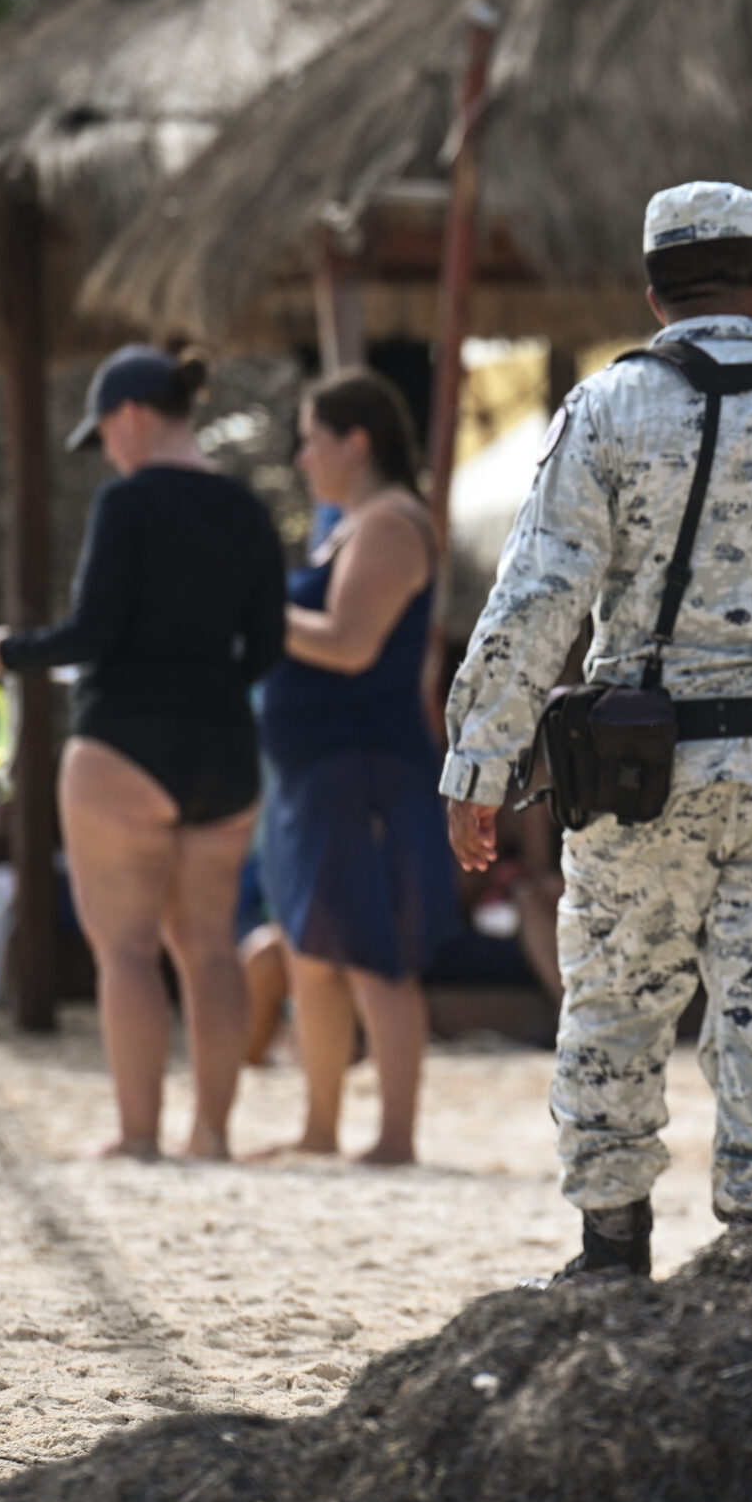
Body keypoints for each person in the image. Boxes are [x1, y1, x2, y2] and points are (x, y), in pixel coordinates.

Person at [440, 182, 752, 1279]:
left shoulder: (608, 408)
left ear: (652, 292)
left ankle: (610, 1248)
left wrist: (478, 763)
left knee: (618, 999)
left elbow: (536, 599)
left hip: (637, 771)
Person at [0, 343, 285, 1159]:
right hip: (224, 749)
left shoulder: (129, 504)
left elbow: (95, 633)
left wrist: (12, 652)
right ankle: (213, 1133)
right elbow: (267, 645)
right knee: (211, 947)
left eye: (106, 433)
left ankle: (139, 1135)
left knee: (127, 951)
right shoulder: (247, 510)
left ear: (135, 416)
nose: (108, 451)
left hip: (126, 745)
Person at [254, 368, 457, 1165]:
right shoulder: (345, 523)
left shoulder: (390, 522)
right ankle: (320, 1127)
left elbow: (348, 643)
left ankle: (394, 1137)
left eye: (311, 438)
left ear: (355, 441)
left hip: (364, 766)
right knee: (311, 951)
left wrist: (255, 612)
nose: (302, 456)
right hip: (319, 770)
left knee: (376, 954)